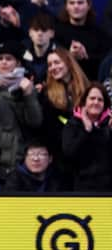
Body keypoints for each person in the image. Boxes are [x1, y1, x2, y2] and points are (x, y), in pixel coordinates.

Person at [0, 41, 43, 177]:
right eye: (0, 59)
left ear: (18, 63)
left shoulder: (26, 86)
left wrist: (29, 95)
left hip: (19, 156)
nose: (3, 62)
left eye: (8, 59)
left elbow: (35, 122)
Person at [37, 47, 89, 190]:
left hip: (88, 160)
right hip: (62, 164)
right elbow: (48, 132)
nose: (53, 67)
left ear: (69, 63)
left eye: (57, 62)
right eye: (50, 65)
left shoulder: (87, 89)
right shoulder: (47, 95)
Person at [62, 82, 112, 192]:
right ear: (84, 102)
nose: (96, 102)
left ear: (105, 104)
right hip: (81, 187)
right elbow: (69, 154)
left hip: (107, 188)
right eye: (92, 98)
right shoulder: (72, 124)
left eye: (100, 99)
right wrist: (86, 130)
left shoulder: (108, 124)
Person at [54, 0, 108, 80]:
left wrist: (86, 56)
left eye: (80, 2)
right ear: (66, 6)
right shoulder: (57, 31)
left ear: (89, 5)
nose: (76, 6)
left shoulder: (100, 34)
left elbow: (105, 63)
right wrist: (69, 55)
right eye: (72, 3)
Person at [22, 12, 56, 86]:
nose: (40, 33)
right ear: (30, 33)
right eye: (36, 30)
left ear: (52, 33)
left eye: (44, 30)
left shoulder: (59, 54)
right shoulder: (21, 52)